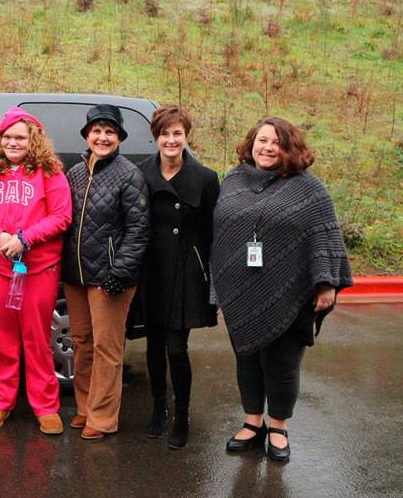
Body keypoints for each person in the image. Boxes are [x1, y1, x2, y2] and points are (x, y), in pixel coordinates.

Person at [213, 117, 352, 463]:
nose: (268, 148)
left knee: (282, 362)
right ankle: (252, 422)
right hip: (242, 287)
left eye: (277, 142)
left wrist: (326, 283)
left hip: (291, 290)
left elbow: (324, 235)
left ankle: (278, 427)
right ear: (251, 143)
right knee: (247, 357)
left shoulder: (309, 189)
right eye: (262, 140)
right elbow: (221, 232)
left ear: (290, 148)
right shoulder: (233, 180)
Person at [0, 107, 72, 435]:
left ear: (33, 139)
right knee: (2, 337)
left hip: (38, 267)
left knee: (37, 337)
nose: (13, 142)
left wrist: (25, 239)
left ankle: (45, 405)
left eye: (20, 137)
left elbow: (61, 216)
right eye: (7, 137)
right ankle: (0, 400)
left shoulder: (50, 171)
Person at [62, 104, 149, 441]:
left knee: (106, 349)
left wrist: (121, 270)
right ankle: (85, 408)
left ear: (119, 138)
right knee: (81, 343)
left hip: (110, 278)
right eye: (96, 131)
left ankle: (103, 416)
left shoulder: (129, 175)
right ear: (87, 135)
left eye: (109, 132)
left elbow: (138, 230)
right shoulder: (76, 173)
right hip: (76, 275)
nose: (102, 137)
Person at [136, 105, 219, 449]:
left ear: (186, 137)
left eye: (177, 134)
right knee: (153, 347)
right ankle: (159, 410)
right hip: (151, 271)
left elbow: (217, 231)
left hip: (185, 272)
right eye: (165, 134)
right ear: (156, 137)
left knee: (176, 347)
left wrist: (213, 279)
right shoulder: (141, 174)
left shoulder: (206, 179)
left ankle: (182, 415)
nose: (171, 140)